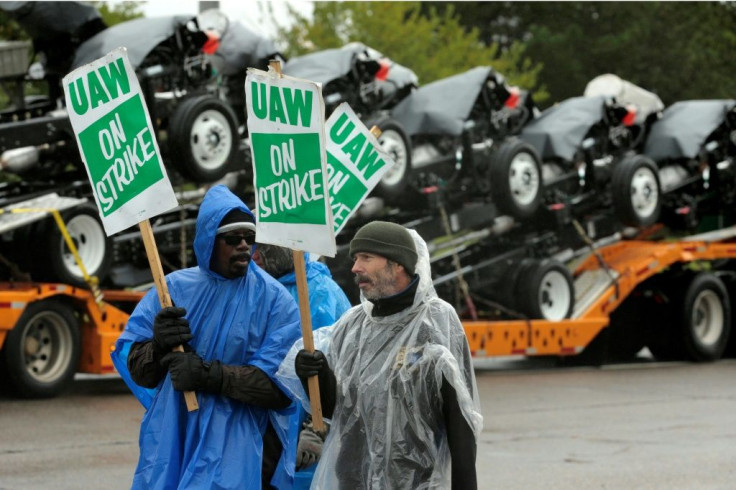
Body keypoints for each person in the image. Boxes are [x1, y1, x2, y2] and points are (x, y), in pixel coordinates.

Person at [111, 185, 302, 490]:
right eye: (232, 238)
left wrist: (209, 376)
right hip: (174, 439)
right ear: (209, 240)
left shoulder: (275, 301)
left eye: (249, 238)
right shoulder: (170, 291)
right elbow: (140, 372)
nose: (244, 246)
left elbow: (281, 389)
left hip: (242, 447)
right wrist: (158, 346)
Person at [276, 221, 483, 489]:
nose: (355, 268)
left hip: (414, 482)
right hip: (352, 482)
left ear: (397, 264)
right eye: (355, 258)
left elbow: (461, 418)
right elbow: (336, 411)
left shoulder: (436, 321)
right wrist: (314, 373)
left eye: (366, 257)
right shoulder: (352, 326)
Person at [252, 243, 352, 487]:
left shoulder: (320, 293)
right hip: (263, 426)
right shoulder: (256, 287)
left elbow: (341, 369)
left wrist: (316, 429)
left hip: (302, 434)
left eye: (263, 248)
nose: (254, 255)